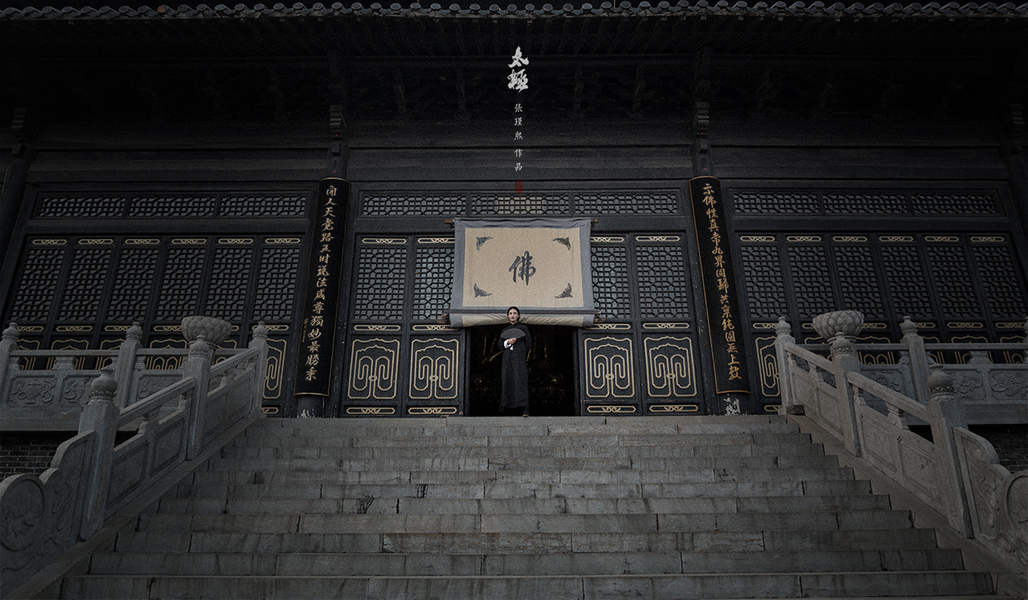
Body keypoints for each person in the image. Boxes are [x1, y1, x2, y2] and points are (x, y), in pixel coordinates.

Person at [498, 306, 531, 417]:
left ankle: (524, 409)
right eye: (510, 313)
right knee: (508, 381)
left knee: (520, 382)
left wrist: (520, 350)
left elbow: (528, 344)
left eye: (514, 313)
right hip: (507, 360)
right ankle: (508, 409)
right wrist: (508, 342)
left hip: (519, 359)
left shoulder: (523, 328)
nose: (512, 315)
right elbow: (500, 345)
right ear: (508, 316)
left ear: (518, 315)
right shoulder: (504, 330)